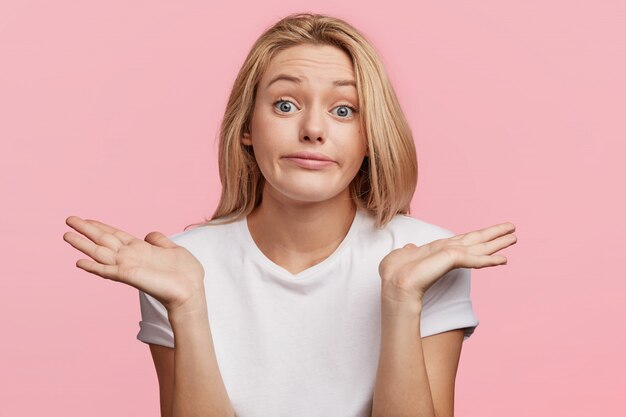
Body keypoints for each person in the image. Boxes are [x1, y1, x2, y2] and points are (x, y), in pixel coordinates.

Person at [62, 12, 517, 417]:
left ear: (370, 136)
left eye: (344, 110)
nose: (313, 130)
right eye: (285, 105)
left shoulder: (427, 258)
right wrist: (186, 306)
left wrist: (401, 301)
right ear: (245, 127)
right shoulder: (177, 266)